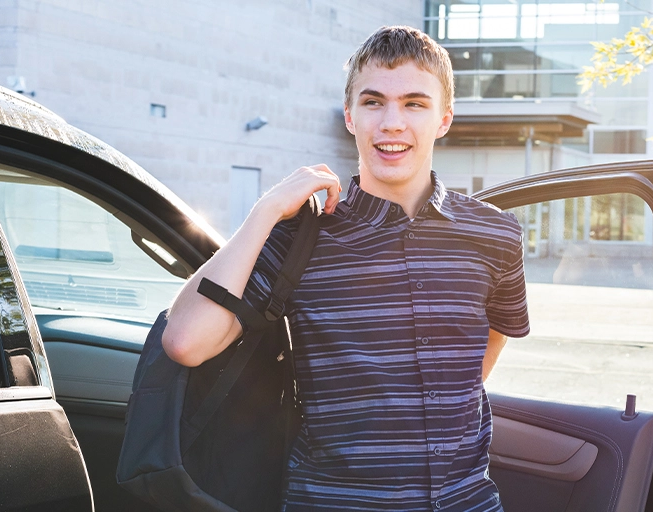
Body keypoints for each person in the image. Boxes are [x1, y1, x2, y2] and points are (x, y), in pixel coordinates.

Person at [162, 25, 530, 511]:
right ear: (350, 116)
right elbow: (185, 342)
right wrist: (265, 211)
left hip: (469, 502)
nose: (392, 123)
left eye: (414, 104)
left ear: (444, 118)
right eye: (373, 101)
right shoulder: (300, 235)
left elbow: (493, 338)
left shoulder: (496, 233)